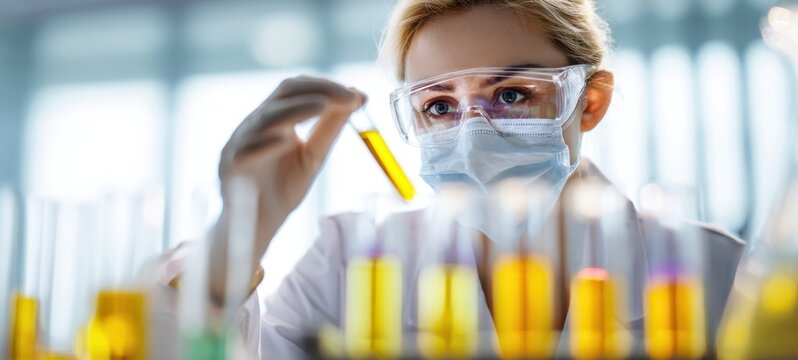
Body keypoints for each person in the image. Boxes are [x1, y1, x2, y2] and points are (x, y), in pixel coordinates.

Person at [149, 0, 745, 358]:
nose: (472, 132)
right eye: (438, 106)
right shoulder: (347, 263)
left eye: (510, 93)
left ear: (589, 101)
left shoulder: (724, 278)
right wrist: (242, 228)